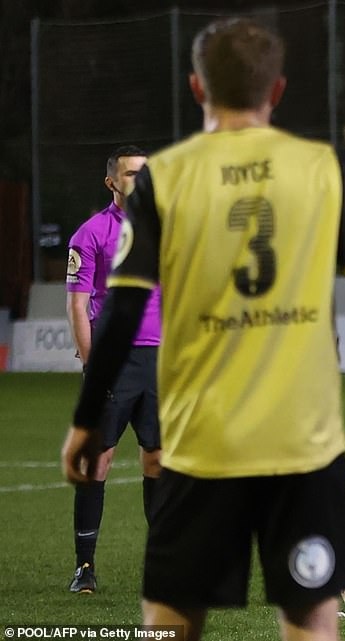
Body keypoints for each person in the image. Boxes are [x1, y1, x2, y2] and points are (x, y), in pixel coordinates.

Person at [60, 17, 345, 641]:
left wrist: (86, 421)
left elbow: (124, 309)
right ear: (277, 91)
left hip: (200, 439)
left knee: (169, 622)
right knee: (310, 621)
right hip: (302, 442)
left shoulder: (165, 178)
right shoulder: (319, 166)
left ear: (197, 88)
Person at [64, 145, 162, 594]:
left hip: (161, 362)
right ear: (112, 182)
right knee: (98, 462)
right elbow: (78, 306)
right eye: (130, 175)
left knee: (158, 462)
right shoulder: (90, 234)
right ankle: (85, 567)